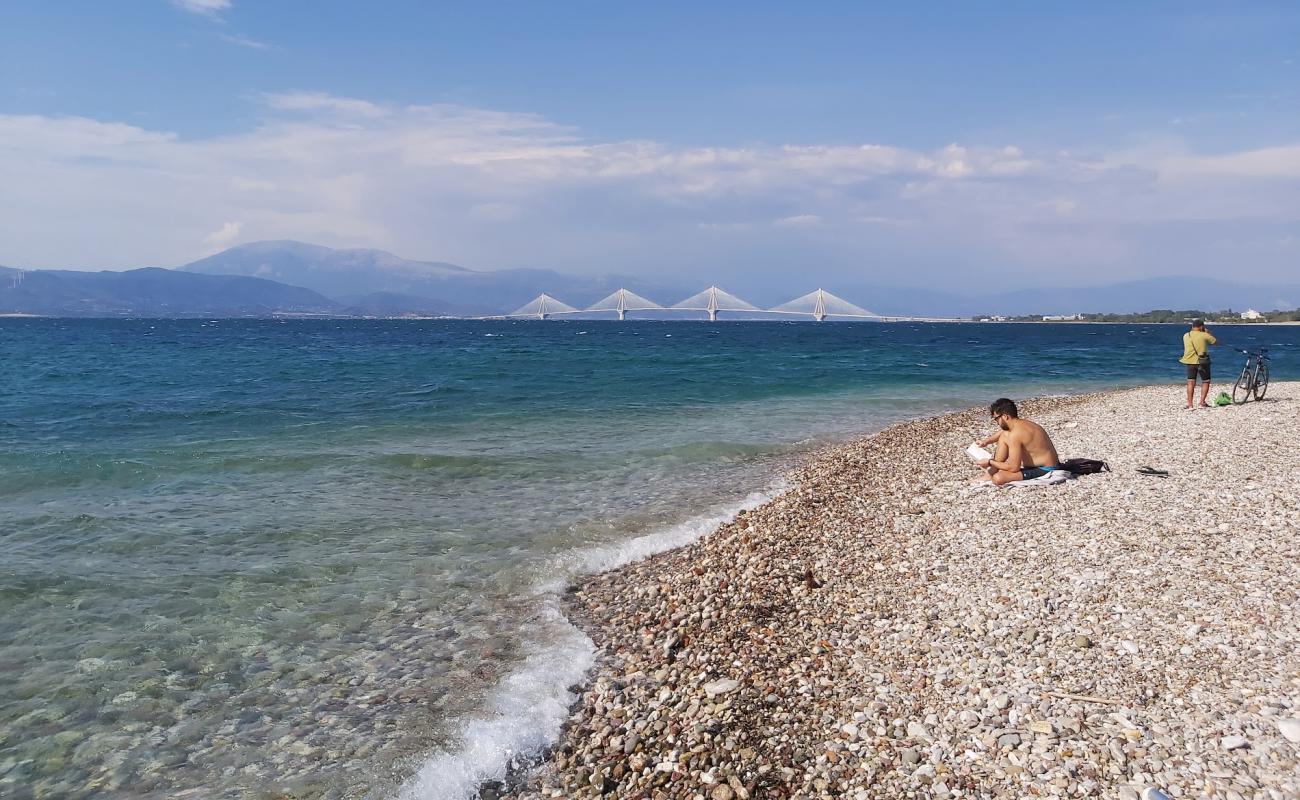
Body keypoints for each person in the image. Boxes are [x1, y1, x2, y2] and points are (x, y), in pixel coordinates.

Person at [972, 398, 1062, 486]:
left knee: (998, 478)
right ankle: (989, 474)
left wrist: (989, 462)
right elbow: (1002, 432)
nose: (997, 423)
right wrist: (986, 441)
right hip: (1046, 464)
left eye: (996, 419)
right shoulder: (1022, 424)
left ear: (1005, 416)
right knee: (1004, 435)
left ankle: (991, 473)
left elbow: (1014, 467)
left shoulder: (1015, 434)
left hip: (1045, 469)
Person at [1179, 319, 1217, 409]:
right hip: (1202, 361)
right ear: (1201, 326)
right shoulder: (1204, 335)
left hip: (1190, 361)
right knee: (1206, 381)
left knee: (1191, 382)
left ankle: (1190, 404)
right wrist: (1208, 333)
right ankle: (1202, 402)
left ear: (1192, 326)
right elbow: (1215, 342)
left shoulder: (1186, 335)